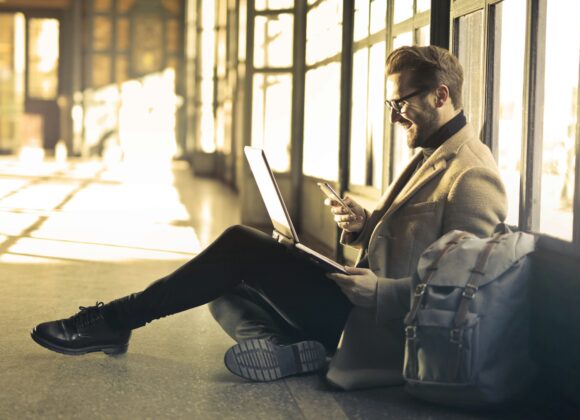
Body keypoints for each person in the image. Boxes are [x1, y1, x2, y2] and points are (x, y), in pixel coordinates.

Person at [31, 45, 506, 386]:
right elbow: (418, 245)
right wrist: (365, 226)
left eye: (401, 103)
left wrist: (381, 292)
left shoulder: (472, 174)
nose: (393, 115)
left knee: (239, 246)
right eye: (390, 103)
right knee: (221, 284)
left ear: (441, 96)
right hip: (357, 304)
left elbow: (467, 295)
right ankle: (288, 349)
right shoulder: (432, 152)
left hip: (379, 325)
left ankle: (115, 319)